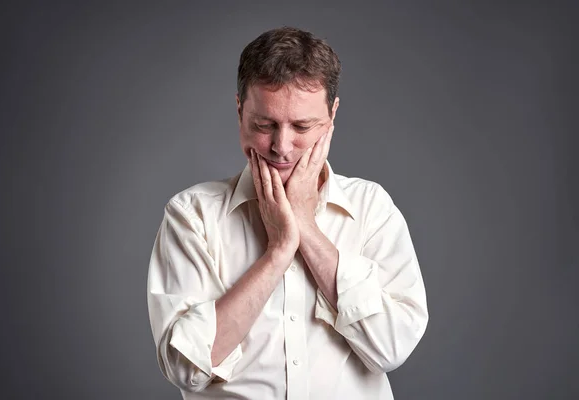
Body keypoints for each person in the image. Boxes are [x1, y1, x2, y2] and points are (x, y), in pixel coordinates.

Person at [147, 26, 428, 400]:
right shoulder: (192, 215)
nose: (281, 147)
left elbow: (391, 348)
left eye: (301, 126)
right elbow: (185, 368)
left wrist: (306, 228)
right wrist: (279, 250)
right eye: (264, 125)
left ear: (332, 116)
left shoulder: (371, 208)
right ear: (239, 112)